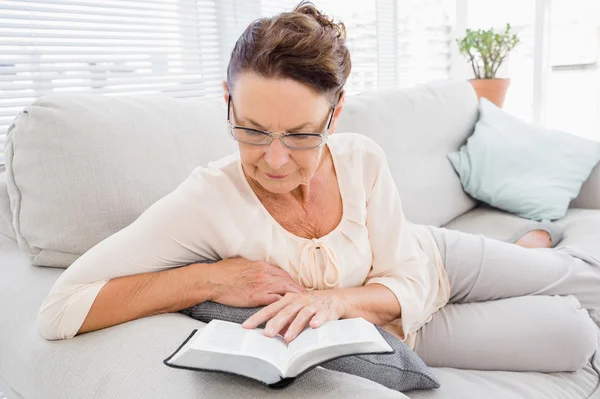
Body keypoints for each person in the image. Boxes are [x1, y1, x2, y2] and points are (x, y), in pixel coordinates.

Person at [38, 2, 599, 373]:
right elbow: (61, 308)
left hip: (434, 256)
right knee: (573, 333)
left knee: (584, 280)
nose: (276, 160)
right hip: (403, 326)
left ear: (335, 113)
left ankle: (533, 244)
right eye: (252, 130)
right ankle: (526, 251)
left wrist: (335, 300)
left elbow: (405, 268)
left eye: (302, 135)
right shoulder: (206, 200)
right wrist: (210, 278)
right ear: (228, 102)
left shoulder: (361, 157)